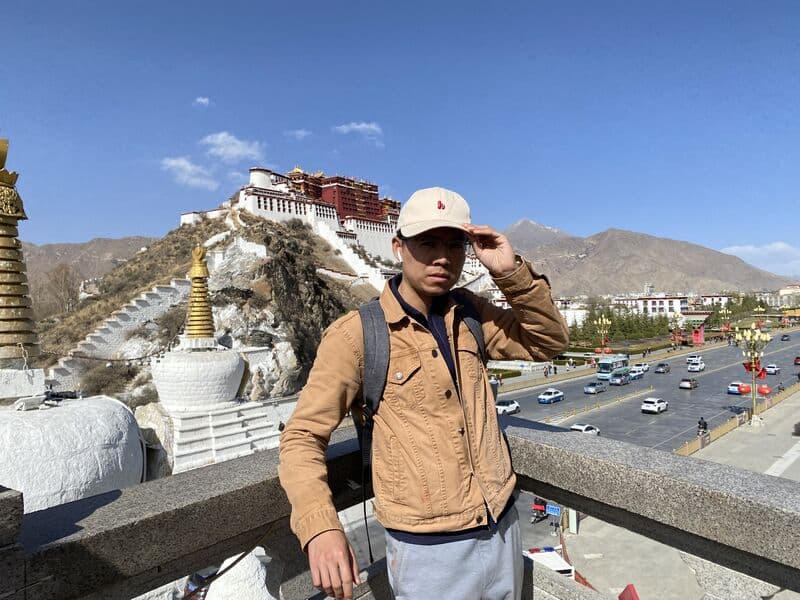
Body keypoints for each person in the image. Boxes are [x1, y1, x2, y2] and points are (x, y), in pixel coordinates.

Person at [278, 187, 569, 600]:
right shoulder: (358, 335)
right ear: (398, 247)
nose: (443, 257)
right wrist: (320, 527)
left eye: (455, 245)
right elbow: (301, 437)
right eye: (428, 242)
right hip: (429, 552)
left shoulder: (469, 313)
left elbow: (548, 342)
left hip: (503, 526)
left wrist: (510, 272)